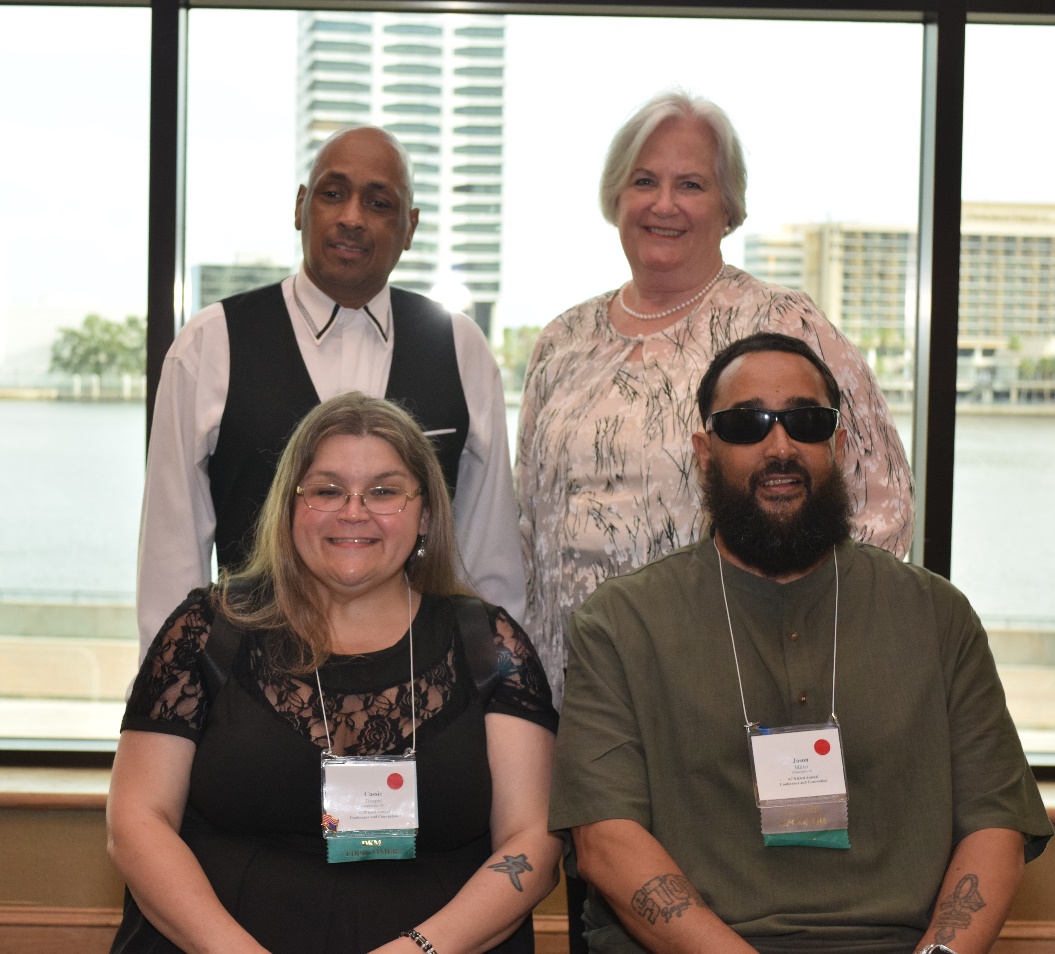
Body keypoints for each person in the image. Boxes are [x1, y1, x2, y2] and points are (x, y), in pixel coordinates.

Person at [549, 333, 1052, 954]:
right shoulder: (620, 625)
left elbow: (996, 825)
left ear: (837, 446)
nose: (780, 446)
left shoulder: (935, 615)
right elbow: (605, 841)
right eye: (747, 423)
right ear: (704, 453)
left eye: (806, 422)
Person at [109, 392, 561, 954]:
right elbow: (136, 821)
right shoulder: (207, 629)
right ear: (291, 507)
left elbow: (532, 844)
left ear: (425, 513)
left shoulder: (491, 646)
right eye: (326, 490)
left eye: (384, 491)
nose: (354, 511)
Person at [518, 91, 912, 704]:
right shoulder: (561, 340)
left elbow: (881, 502)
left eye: (692, 185)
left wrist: (803, 648)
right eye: (644, 180)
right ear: (615, 197)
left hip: (733, 685)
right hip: (573, 688)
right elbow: (528, 523)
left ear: (729, 207)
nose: (664, 204)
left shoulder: (783, 322)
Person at [138, 124, 524, 660]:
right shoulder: (211, 343)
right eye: (333, 193)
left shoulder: (460, 346)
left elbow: (489, 553)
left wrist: (498, 688)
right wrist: (167, 704)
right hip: (250, 680)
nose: (351, 218)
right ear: (301, 207)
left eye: (379, 202)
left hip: (419, 687)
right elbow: (170, 551)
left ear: (409, 227)